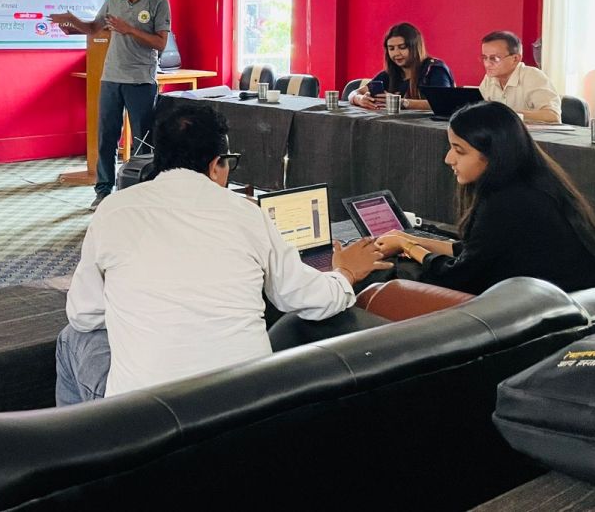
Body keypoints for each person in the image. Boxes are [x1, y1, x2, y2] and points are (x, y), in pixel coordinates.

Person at [54, 101, 392, 405]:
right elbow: (307, 297)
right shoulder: (246, 213)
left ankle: (79, 447)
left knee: (71, 338)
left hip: (147, 420)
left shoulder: (114, 210)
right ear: (217, 164)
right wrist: (345, 273)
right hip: (243, 410)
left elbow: (83, 315)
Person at [373, 101, 595, 294]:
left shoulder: (507, 202)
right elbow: (478, 252)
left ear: (493, 154)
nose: (448, 159)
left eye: (459, 150)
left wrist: (409, 247)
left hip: (558, 316)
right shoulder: (534, 185)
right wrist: (406, 239)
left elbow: (456, 277)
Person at [48, 0, 171, 210]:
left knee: (143, 140)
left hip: (141, 80)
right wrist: (71, 24)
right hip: (111, 78)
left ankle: (142, 191)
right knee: (106, 137)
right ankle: (103, 191)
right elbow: (94, 28)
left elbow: (161, 43)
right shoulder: (114, 0)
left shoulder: (158, 2)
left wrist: (129, 30)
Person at [350, 22, 455, 111]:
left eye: (402, 47)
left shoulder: (435, 69)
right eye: (391, 48)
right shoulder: (388, 74)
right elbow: (353, 93)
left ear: (415, 47)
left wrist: (401, 102)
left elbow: (443, 103)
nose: (396, 53)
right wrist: (359, 99)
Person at [476, 31, 562, 123]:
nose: (487, 64)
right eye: (484, 58)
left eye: (495, 58)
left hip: (533, 132)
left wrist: (508, 115)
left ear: (515, 59)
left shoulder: (533, 77)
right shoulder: (489, 79)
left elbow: (553, 116)